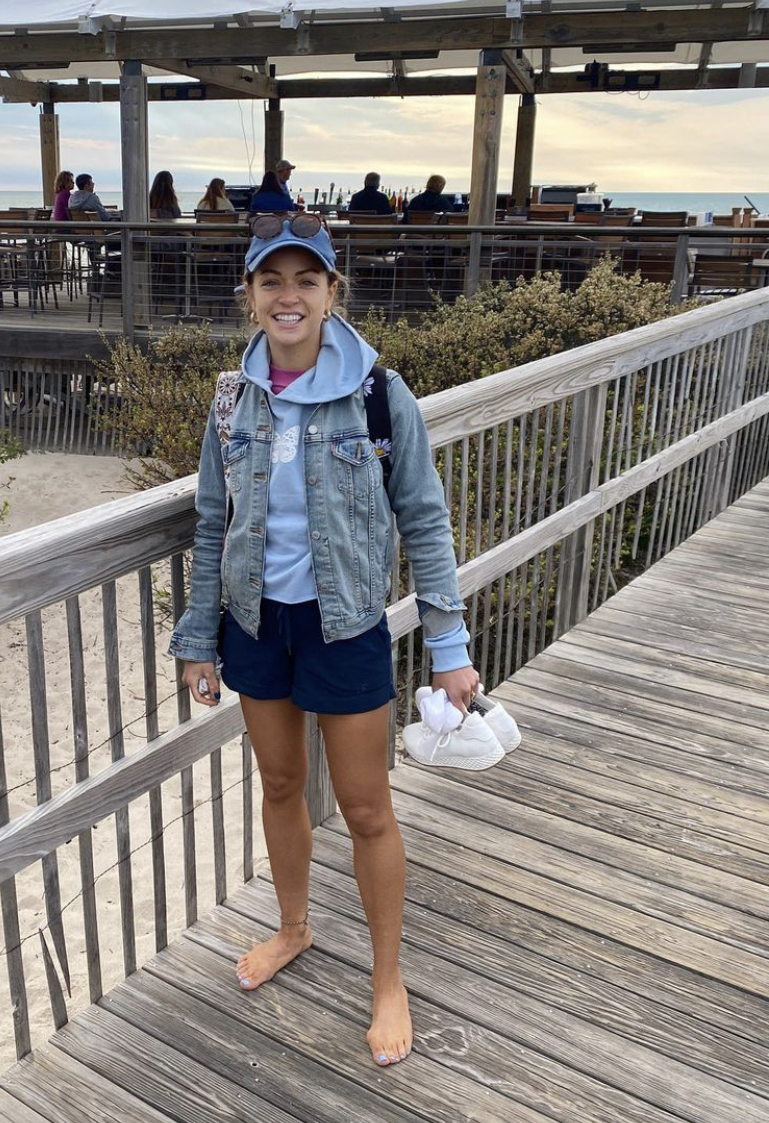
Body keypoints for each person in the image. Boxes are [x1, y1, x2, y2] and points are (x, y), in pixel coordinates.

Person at [168, 213, 477, 1067]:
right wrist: (197, 637)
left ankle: (387, 977)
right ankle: (294, 926)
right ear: (249, 296)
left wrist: (448, 644)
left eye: (306, 279)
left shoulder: (379, 393)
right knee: (278, 784)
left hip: (344, 625)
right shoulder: (230, 399)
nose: (288, 296)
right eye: (271, 280)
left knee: (367, 807)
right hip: (254, 622)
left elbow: (424, 518)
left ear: (332, 292)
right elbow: (211, 521)